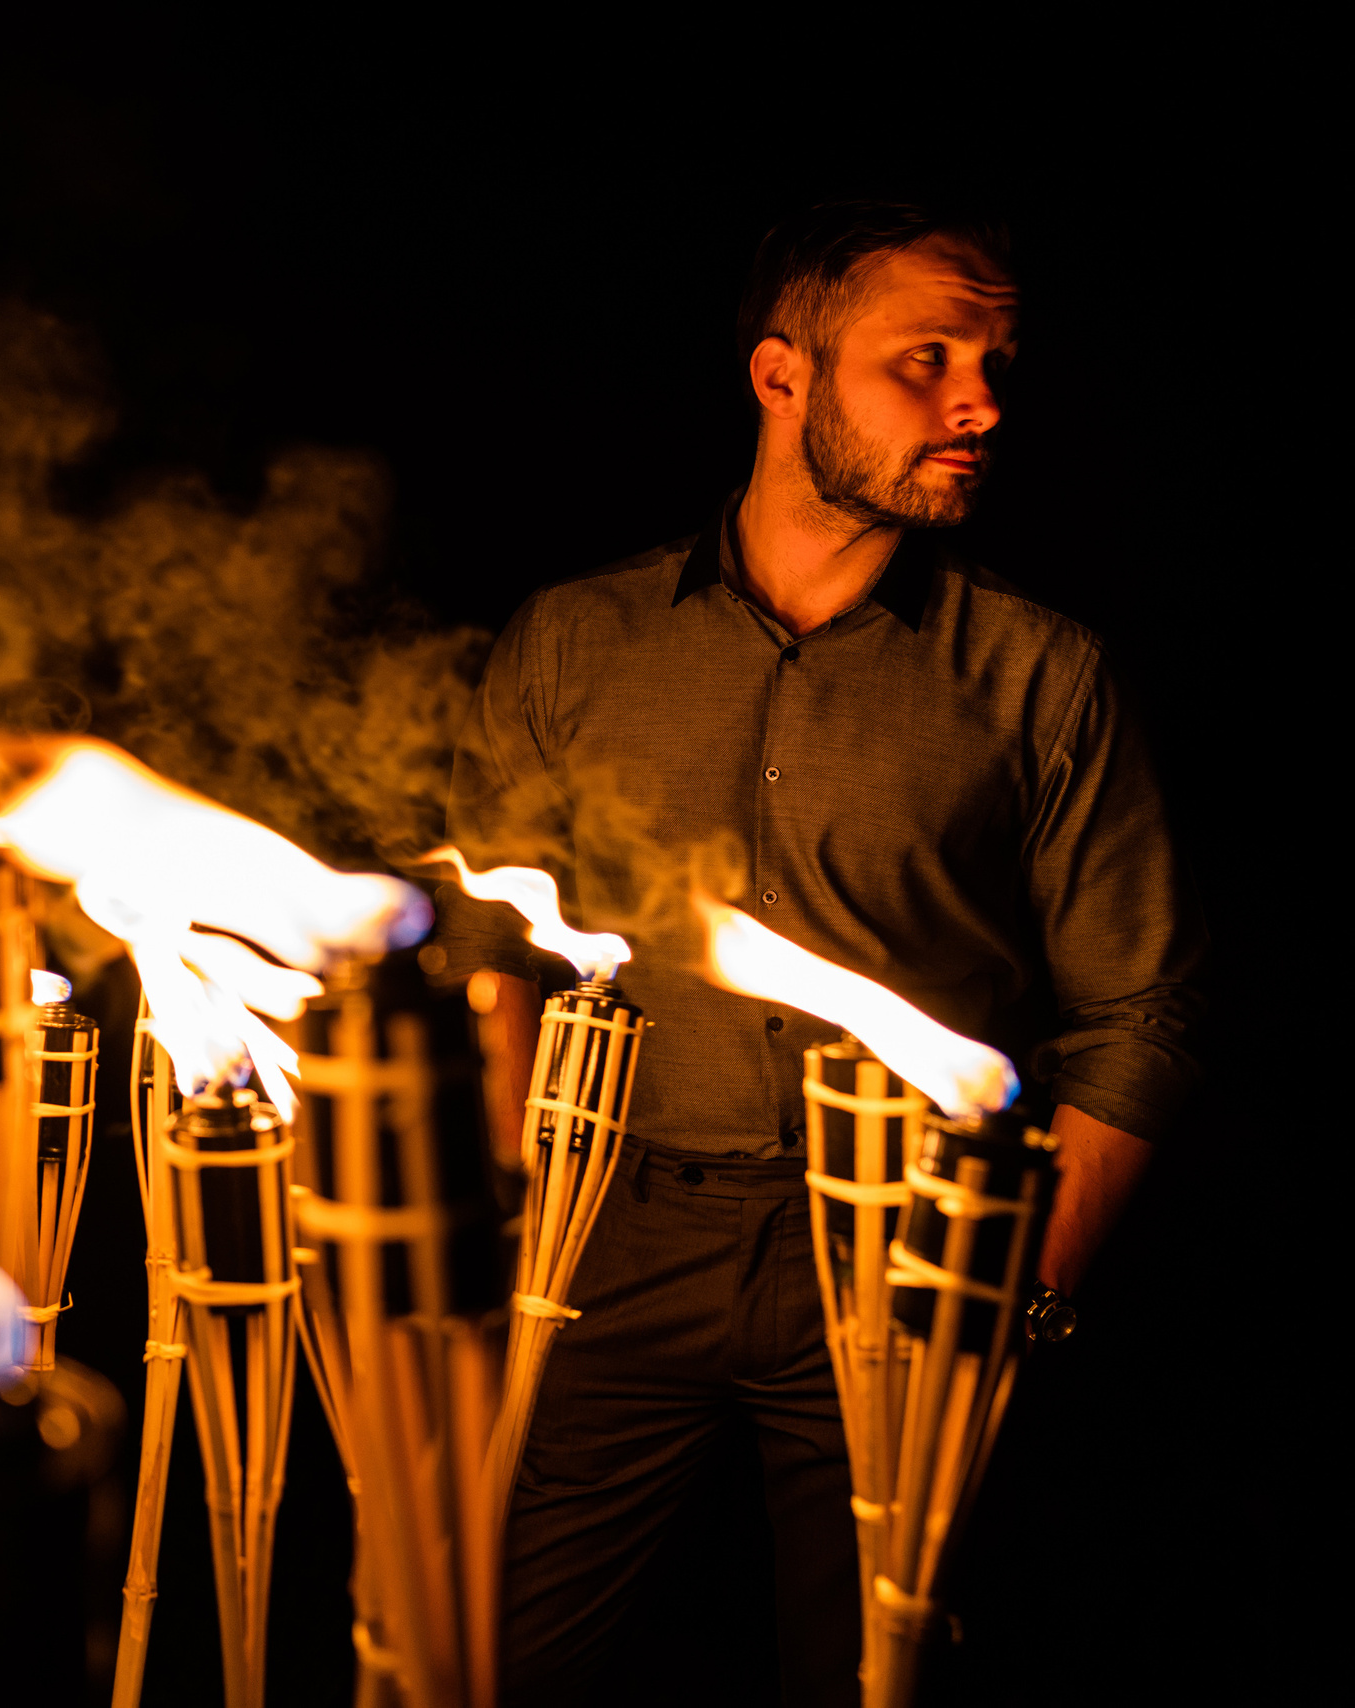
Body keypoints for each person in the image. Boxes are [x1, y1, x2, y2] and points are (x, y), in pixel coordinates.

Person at [433, 200, 1207, 1707]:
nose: (980, 402)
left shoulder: (1042, 676)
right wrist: (513, 1220)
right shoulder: (577, 643)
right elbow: (489, 947)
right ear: (783, 379)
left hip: (903, 1257)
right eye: (926, 361)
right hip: (609, 1246)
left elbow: (1140, 1011)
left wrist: (1012, 1291)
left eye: (992, 363)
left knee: (878, 1682)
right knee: (489, 1663)